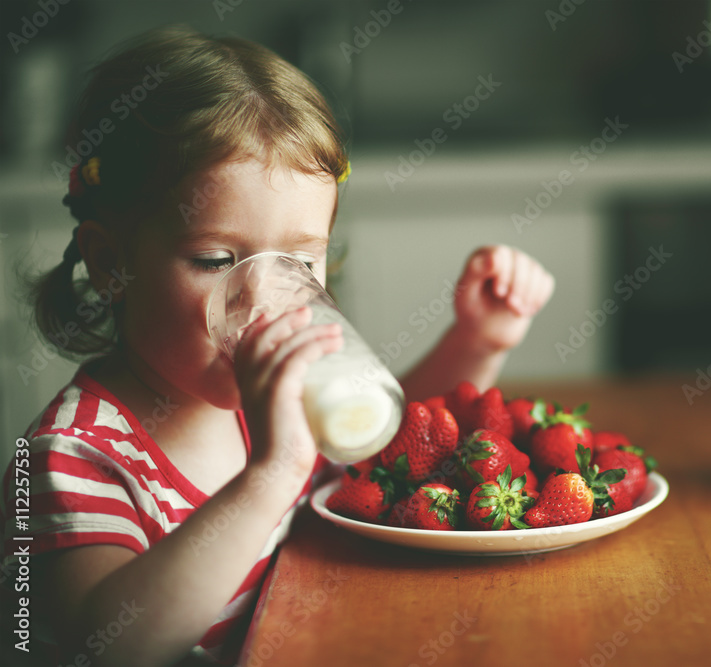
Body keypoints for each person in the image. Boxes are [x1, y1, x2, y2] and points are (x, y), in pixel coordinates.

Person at [0, 26, 553, 667]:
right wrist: (273, 474)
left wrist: (476, 339)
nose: (263, 301)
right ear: (109, 262)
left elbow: (389, 440)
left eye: (298, 261)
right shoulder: (72, 456)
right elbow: (108, 646)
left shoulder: (270, 396)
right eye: (214, 259)